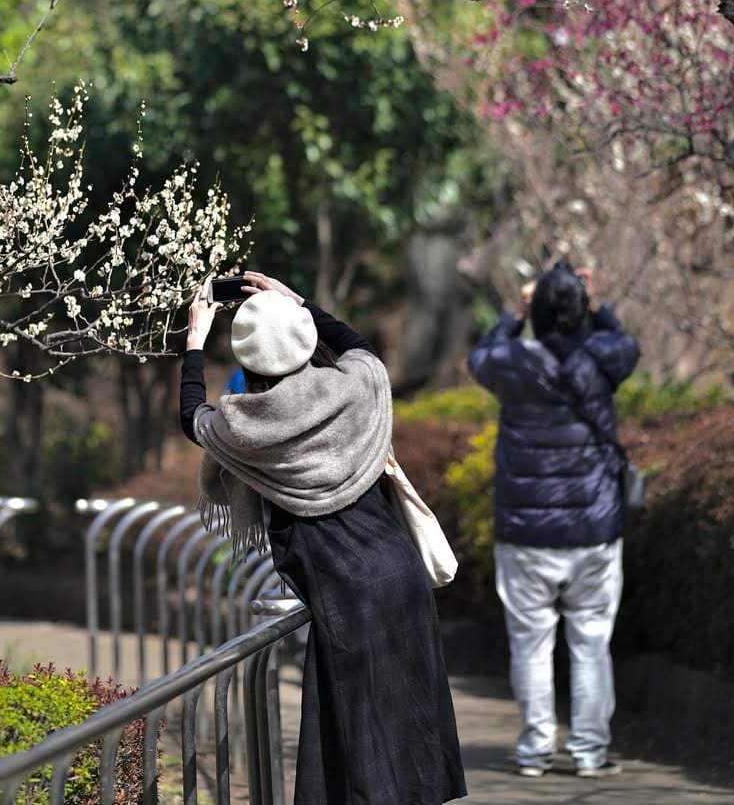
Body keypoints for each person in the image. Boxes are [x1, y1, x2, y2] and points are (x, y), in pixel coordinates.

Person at [179, 270, 466, 805]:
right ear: (307, 337)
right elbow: (358, 347)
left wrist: (195, 341)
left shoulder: (245, 424)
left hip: (342, 588)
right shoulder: (355, 385)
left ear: (247, 360)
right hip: (399, 574)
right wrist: (298, 300)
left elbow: (190, 416)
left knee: (357, 741)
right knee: (411, 724)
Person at [468, 261, 640, 779]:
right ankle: (589, 753)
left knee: (531, 644)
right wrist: (593, 303)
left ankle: (534, 751)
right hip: (594, 531)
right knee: (591, 643)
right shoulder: (603, 359)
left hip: (525, 535)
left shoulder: (512, 362)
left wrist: (517, 312)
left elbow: (480, 356)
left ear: (536, 313)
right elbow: (624, 341)